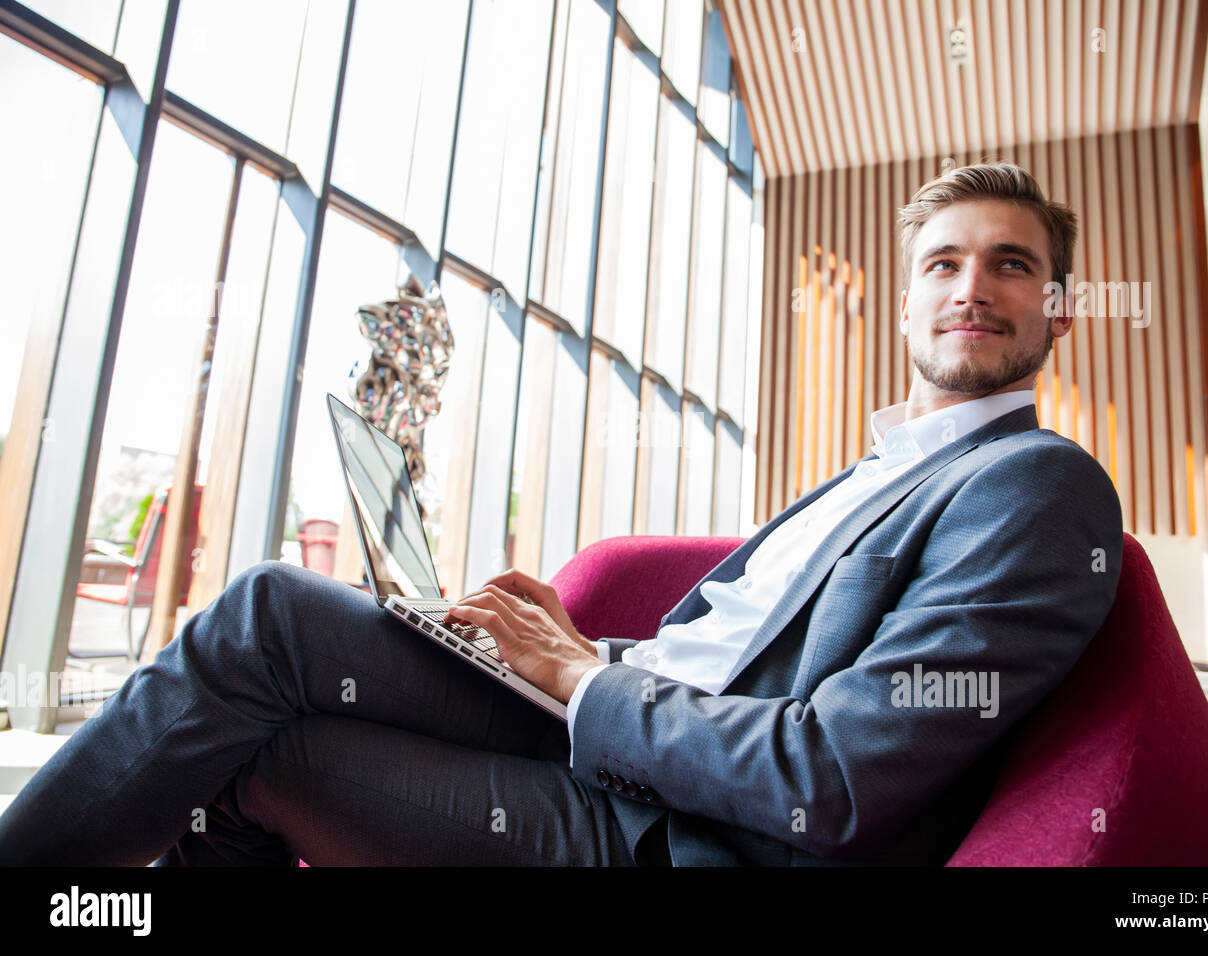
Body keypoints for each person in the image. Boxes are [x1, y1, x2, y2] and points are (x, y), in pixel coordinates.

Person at [0, 162, 1123, 866]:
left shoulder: (1033, 485)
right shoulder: (882, 467)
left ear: (1058, 310)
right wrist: (582, 649)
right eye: (943, 262)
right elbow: (732, 654)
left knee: (270, 751)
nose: (970, 286)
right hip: (616, 720)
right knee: (269, 618)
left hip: (681, 826)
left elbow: (827, 779)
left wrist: (581, 678)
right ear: (910, 300)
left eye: (1010, 265)